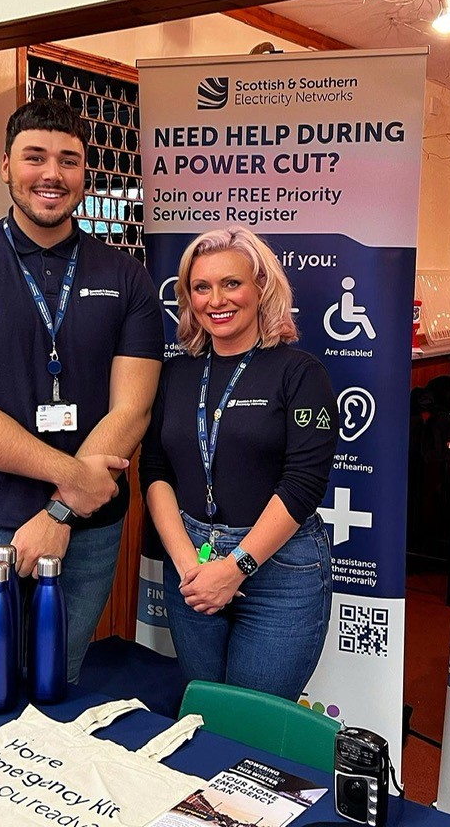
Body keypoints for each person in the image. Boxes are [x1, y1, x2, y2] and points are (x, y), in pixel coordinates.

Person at [0, 99, 162, 682]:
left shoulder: (126, 276)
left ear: (85, 173)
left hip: (88, 533)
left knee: (56, 687)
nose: (52, 174)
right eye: (35, 157)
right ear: (4, 166)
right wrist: (72, 481)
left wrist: (61, 513)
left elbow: (134, 407)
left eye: (69, 160)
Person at [140, 226, 337, 699]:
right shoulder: (176, 373)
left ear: (261, 288)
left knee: (255, 728)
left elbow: (303, 484)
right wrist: (190, 564)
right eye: (201, 287)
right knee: (205, 713)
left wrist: (235, 567)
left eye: (232, 283)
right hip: (192, 566)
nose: (216, 300)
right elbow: (155, 470)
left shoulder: (299, 372)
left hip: (279, 572)